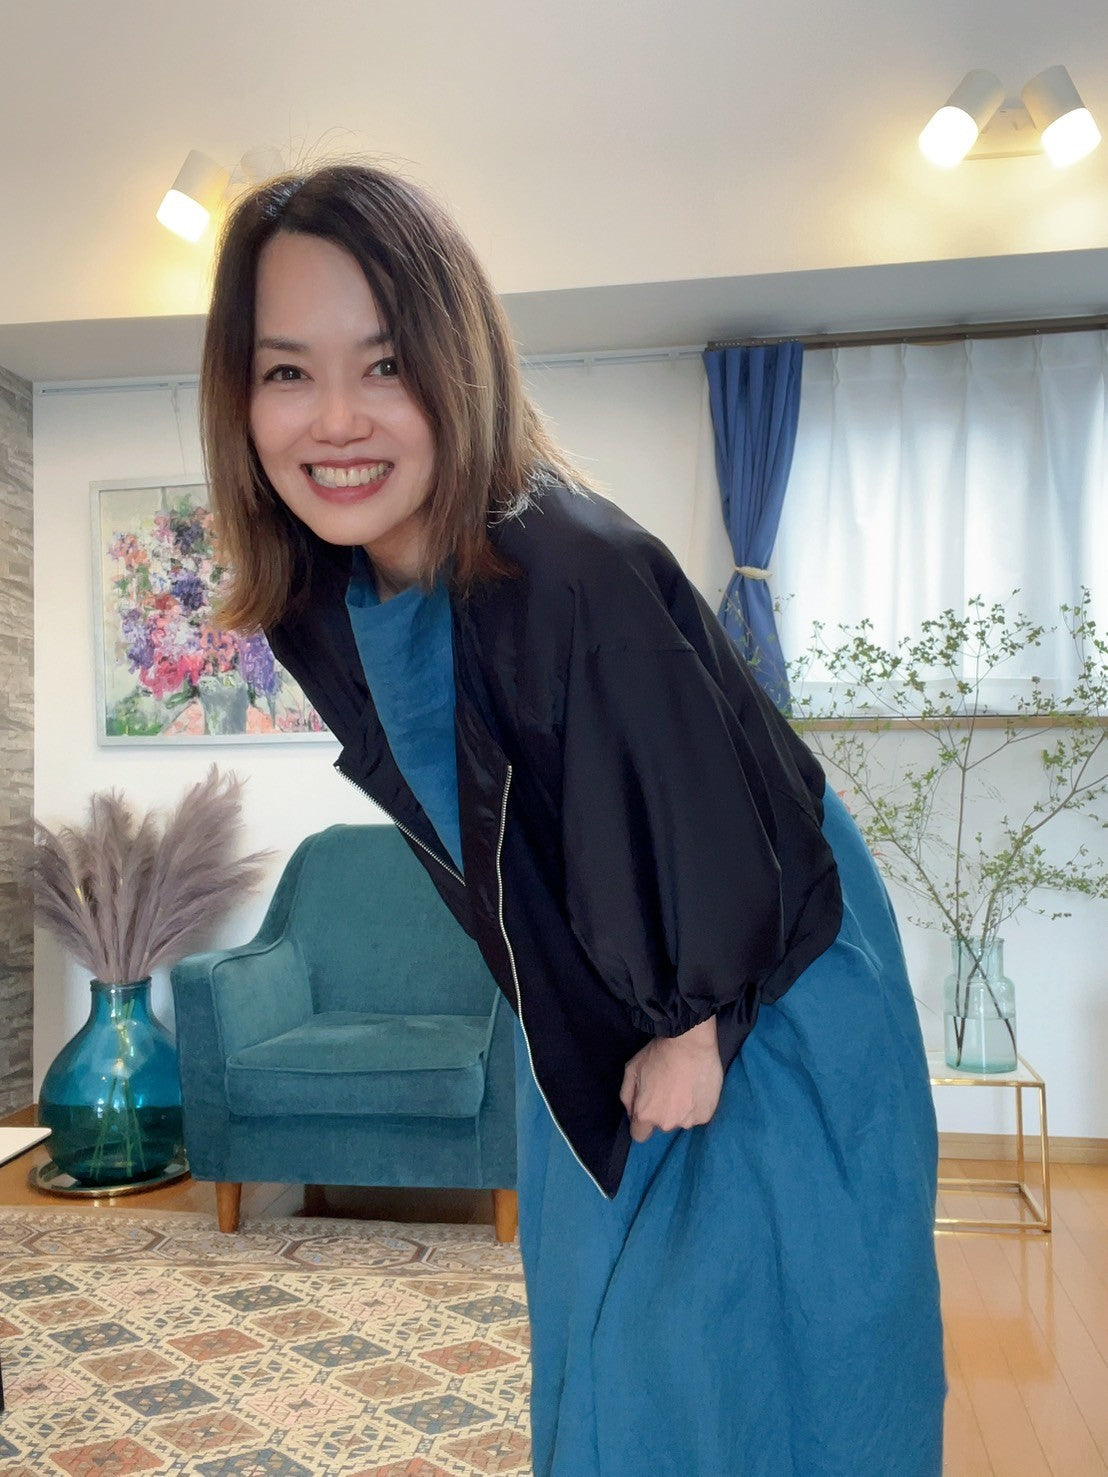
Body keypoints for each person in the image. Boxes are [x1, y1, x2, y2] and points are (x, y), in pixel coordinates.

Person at [200, 162, 945, 1476]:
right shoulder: (349, 588)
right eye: (287, 372)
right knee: (612, 1350)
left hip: (760, 977)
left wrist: (698, 1022)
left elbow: (730, 806)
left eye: (385, 364)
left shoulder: (566, 565)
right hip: (615, 986)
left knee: (744, 1361)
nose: (336, 417)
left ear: (457, 363)